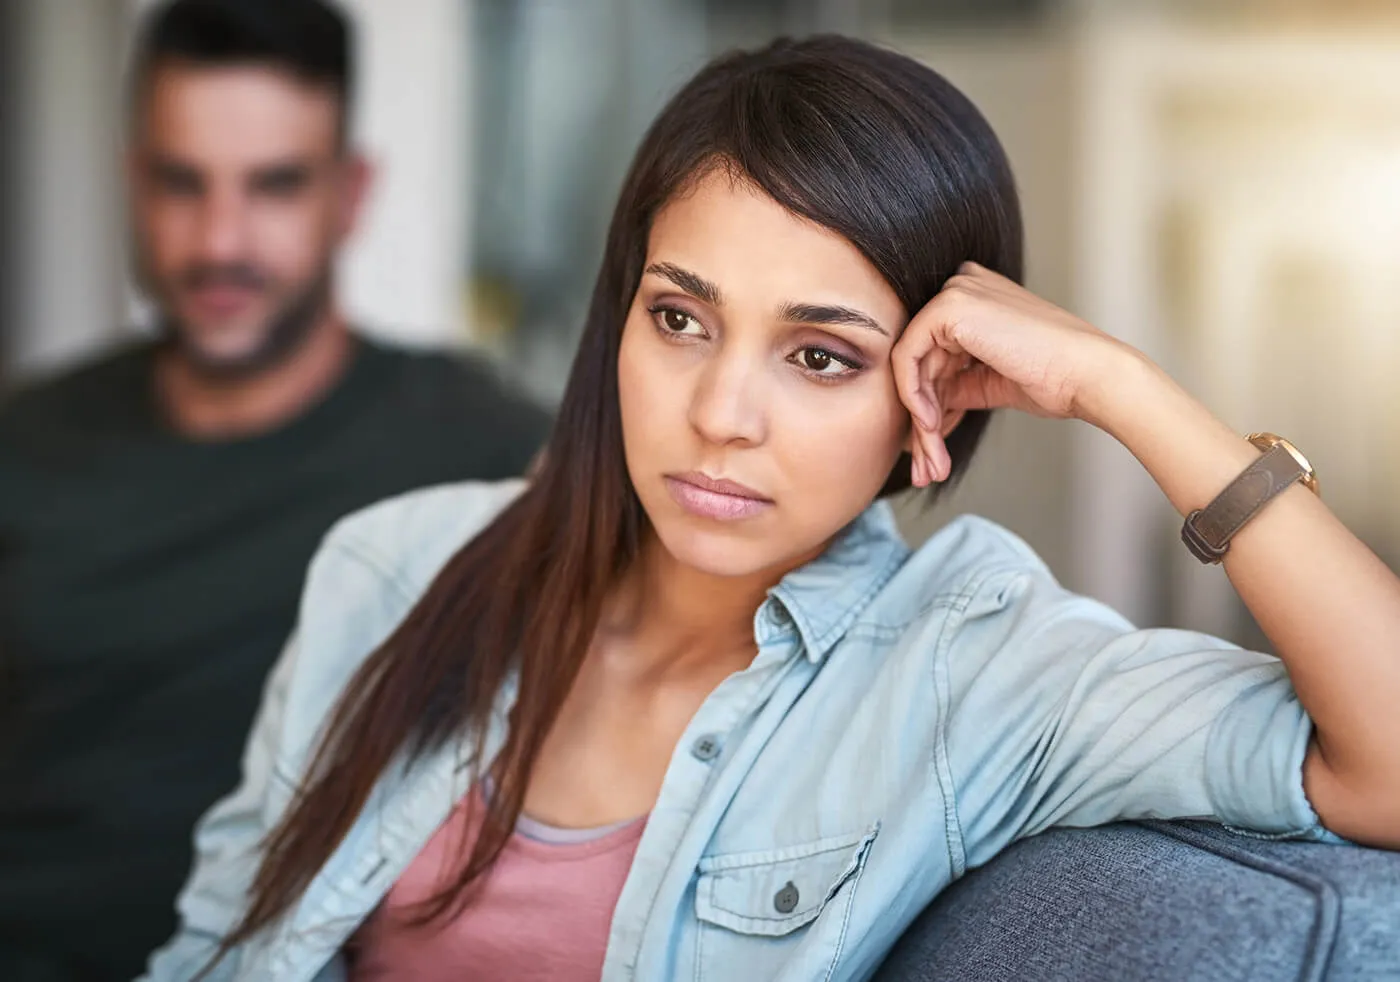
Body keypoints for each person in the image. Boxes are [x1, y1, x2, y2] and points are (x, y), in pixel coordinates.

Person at [143, 35, 1400, 982]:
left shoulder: (968, 666)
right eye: (679, 319)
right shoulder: (393, 563)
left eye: (819, 356)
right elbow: (218, 939)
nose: (720, 412)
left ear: (937, 390)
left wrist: (1129, 390)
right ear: (616, 317)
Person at [0, 1, 550, 978]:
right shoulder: (23, 443)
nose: (220, 241)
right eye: (181, 182)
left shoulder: (487, 453)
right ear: (133, 182)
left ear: (350, 193)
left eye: (274, 186)